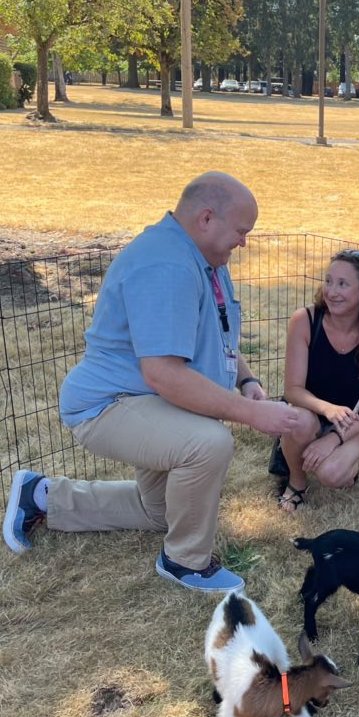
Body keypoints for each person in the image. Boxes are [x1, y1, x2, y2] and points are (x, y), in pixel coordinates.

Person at [2, 172, 299, 593]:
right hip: (109, 405)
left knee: (164, 511)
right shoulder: (168, 265)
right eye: (241, 231)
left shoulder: (205, 260)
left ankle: (44, 496)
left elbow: (216, 334)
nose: (243, 242)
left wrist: (247, 380)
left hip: (148, 401)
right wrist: (254, 414)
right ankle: (184, 562)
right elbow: (163, 374)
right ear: (207, 218)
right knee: (209, 443)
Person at [277, 249, 359, 511]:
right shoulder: (304, 321)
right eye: (329, 281)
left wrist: (333, 438)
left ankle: (345, 465)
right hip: (309, 413)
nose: (331, 291)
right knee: (299, 421)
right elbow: (293, 390)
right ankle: (296, 482)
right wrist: (326, 409)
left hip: (353, 422)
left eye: (343, 284)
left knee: (331, 474)